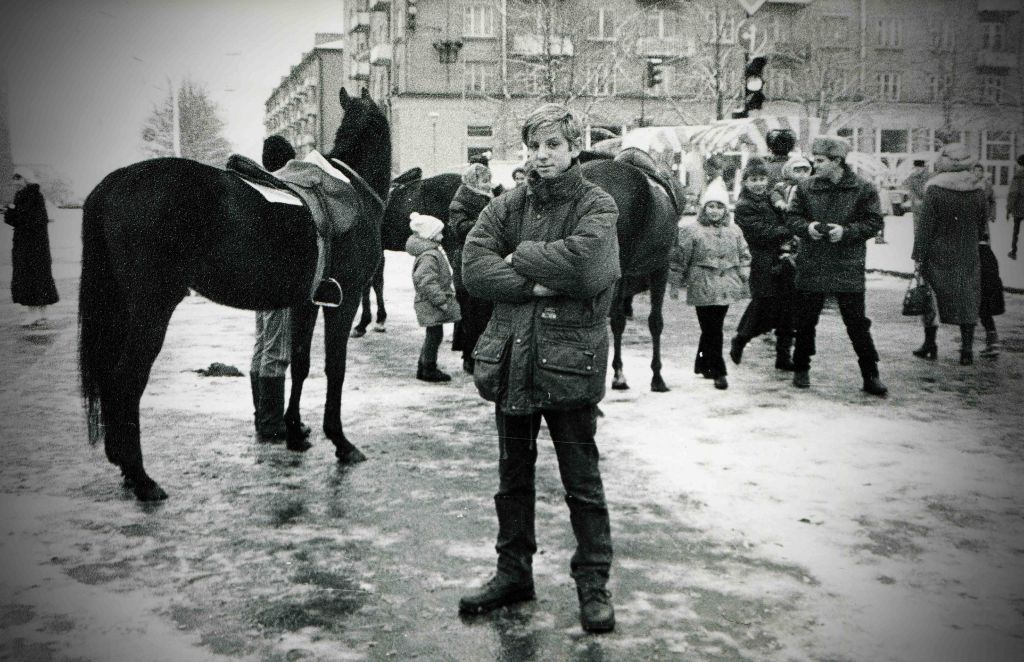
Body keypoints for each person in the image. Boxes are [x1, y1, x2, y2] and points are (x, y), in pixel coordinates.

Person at [459, 103, 620, 633]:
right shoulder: (506, 205)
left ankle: (593, 585)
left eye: (553, 145)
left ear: (574, 147)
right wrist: (537, 282)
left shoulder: (598, 204)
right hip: (512, 363)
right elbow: (474, 268)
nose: (541, 155)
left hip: (568, 367)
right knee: (512, 480)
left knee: (582, 483)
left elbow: (587, 265)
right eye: (534, 145)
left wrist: (520, 256)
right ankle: (513, 573)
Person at [786, 136, 888, 396]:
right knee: (806, 320)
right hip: (812, 262)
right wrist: (807, 228)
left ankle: (870, 374)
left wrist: (847, 232)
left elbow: (874, 221)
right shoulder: (805, 188)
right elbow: (793, 218)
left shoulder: (863, 189)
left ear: (836, 161)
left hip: (847, 264)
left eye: (819, 161)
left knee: (857, 323)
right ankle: (801, 368)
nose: (814, 165)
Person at [249, 136, 310, 449]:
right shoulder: (282, 194)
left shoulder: (258, 191)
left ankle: (263, 415)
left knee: (262, 345)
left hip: (259, 281)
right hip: (278, 281)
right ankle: (271, 424)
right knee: (276, 349)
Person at [670, 177, 751, 390]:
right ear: (703, 209)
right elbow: (679, 258)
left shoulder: (735, 231)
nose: (715, 211)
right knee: (712, 329)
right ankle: (718, 370)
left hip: (726, 285)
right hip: (702, 284)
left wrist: (744, 274)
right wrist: (675, 282)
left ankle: (702, 362)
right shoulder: (691, 230)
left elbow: (744, 254)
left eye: (719, 207)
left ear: (726, 210)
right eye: (711, 207)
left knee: (713, 328)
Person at [911, 144, 989, 366]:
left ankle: (930, 344)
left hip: (937, 252)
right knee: (968, 298)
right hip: (967, 252)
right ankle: (966, 349)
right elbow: (982, 223)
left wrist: (918, 254)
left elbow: (925, 226)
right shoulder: (978, 189)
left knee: (930, 297)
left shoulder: (934, 189)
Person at [731, 157, 797, 371]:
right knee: (763, 304)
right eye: (753, 179)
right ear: (745, 182)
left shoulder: (771, 199)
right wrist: (791, 230)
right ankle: (741, 339)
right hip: (760, 260)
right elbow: (760, 233)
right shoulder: (744, 206)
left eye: (762, 179)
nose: (758, 183)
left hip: (782, 258)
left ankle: (783, 355)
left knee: (788, 307)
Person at [448, 162, 494, 374]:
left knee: (484, 313)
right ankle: (469, 357)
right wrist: (485, 219)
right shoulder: (459, 203)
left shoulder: (489, 198)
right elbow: (460, 230)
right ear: (474, 181)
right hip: (467, 265)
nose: (488, 184)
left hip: (486, 263)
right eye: (485, 181)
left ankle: (481, 356)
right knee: (470, 315)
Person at [407, 211, 461, 382]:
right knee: (434, 335)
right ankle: (428, 367)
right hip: (431, 302)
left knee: (433, 334)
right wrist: (441, 301)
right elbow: (426, 281)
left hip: (429, 302)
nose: (442, 235)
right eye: (439, 232)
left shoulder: (431, 252)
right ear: (430, 235)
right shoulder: (430, 256)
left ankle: (423, 366)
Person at [2, 167, 59, 328]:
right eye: (14, 179)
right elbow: (19, 219)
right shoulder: (23, 196)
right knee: (33, 279)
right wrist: (11, 212)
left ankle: (37, 315)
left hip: (33, 247)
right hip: (27, 245)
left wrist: (13, 212)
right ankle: (38, 314)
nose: (15, 183)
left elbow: (32, 220)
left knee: (33, 279)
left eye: (18, 179)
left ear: (26, 179)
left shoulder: (34, 196)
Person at [1007, 154, 1024, 259]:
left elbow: (1013, 193)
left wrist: (1009, 208)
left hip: (1019, 207)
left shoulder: (1018, 176)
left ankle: (1013, 252)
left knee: (1016, 231)